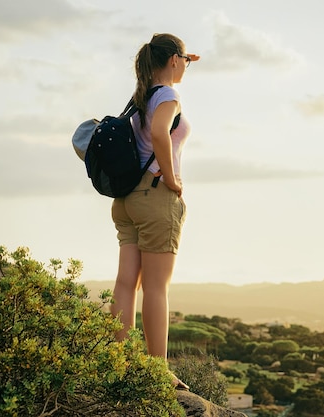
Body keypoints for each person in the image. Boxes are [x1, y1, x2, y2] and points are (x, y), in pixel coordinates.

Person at [109, 33, 199, 390]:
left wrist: (184, 57)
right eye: (183, 62)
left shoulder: (141, 95)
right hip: (156, 196)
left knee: (125, 283)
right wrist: (173, 180)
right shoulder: (169, 95)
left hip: (127, 199)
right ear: (173, 61)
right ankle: (156, 372)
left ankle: (116, 362)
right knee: (157, 288)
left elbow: (150, 133)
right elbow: (162, 134)